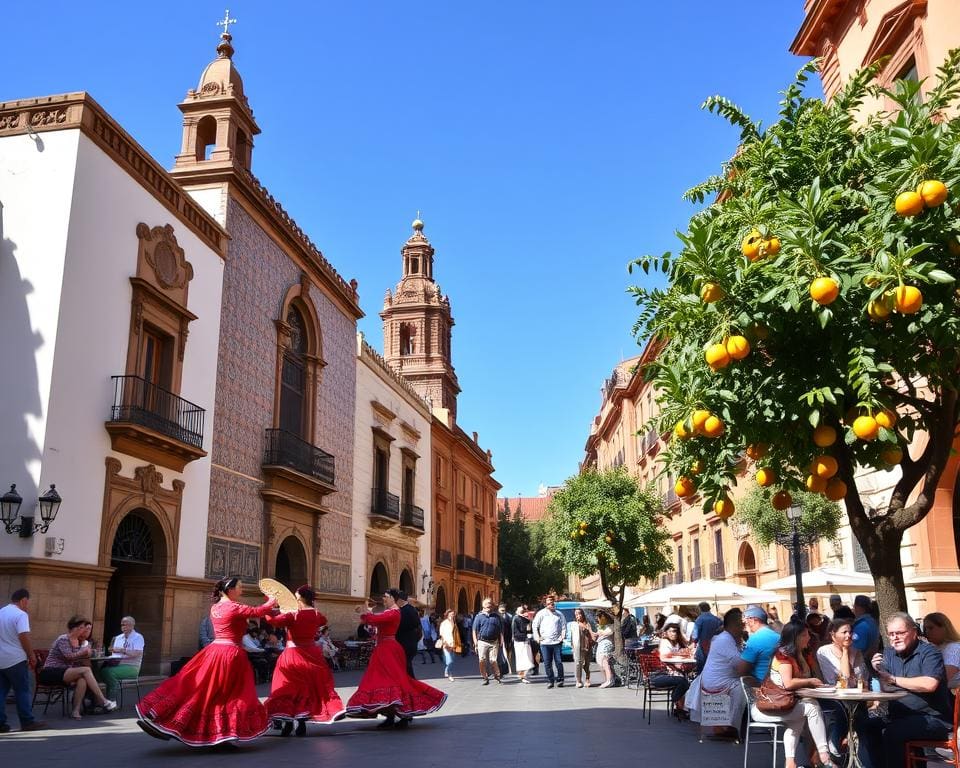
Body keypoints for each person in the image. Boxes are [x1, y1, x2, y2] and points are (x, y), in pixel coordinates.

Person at [136, 576, 278, 745]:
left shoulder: (215, 607)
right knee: (231, 694)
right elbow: (256, 612)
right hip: (230, 654)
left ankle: (163, 717)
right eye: (239, 587)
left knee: (197, 687)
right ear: (230, 590)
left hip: (213, 651)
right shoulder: (233, 607)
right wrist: (272, 601)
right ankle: (224, 731)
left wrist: (269, 606)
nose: (242, 590)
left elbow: (252, 613)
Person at [345, 589, 446, 728]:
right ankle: (390, 715)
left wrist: (364, 612)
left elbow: (374, 620)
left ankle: (402, 715)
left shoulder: (394, 612)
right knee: (384, 681)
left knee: (395, 681)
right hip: (384, 649)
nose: (383, 599)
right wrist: (367, 612)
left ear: (393, 598)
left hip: (389, 650)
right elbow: (375, 623)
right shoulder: (390, 612)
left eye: (386, 597)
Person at [863, 612, 953, 768]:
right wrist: (876, 670)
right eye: (891, 634)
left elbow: (929, 684)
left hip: (933, 718)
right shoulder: (888, 654)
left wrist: (893, 679)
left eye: (900, 633)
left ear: (914, 631)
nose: (895, 638)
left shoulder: (930, 652)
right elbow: (885, 685)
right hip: (899, 715)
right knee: (867, 726)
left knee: (893, 732)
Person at [750, 621, 835, 768]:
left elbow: (816, 678)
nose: (809, 637)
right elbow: (788, 683)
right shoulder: (783, 656)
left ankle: (791, 764)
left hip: (786, 705)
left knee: (799, 719)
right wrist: (810, 681)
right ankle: (824, 756)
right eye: (804, 634)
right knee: (812, 707)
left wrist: (812, 669)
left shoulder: (801, 654)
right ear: (795, 638)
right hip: (768, 707)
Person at [263, 585, 345, 736]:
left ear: (300, 597)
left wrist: (269, 606)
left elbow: (273, 621)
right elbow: (323, 620)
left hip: (293, 654)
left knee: (287, 687)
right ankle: (301, 723)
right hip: (312, 654)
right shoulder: (315, 614)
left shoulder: (293, 615)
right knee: (307, 688)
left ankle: (287, 724)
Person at [41, 616, 118, 720]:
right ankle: (103, 701)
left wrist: (86, 654)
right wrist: (84, 651)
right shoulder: (63, 639)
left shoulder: (78, 641)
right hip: (51, 671)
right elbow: (68, 656)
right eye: (82, 627)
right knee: (86, 670)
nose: (84, 630)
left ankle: (75, 710)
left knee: (82, 680)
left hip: (65, 672)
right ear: (75, 628)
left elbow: (76, 660)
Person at [687, 607, 746, 734]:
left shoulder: (725, 638)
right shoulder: (725, 640)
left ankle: (725, 725)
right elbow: (740, 666)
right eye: (742, 625)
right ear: (735, 625)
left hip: (712, 681)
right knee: (743, 688)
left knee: (743, 684)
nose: (744, 628)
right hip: (716, 684)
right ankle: (731, 726)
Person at [816, 617, 867, 759]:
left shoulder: (856, 651)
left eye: (850, 632)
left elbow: (861, 679)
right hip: (835, 697)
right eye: (844, 632)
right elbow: (842, 680)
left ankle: (859, 757)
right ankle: (835, 747)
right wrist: (845, 652)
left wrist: (850, 653)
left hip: (856, 697)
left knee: (863, 719)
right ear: (833, 635)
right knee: (846, 713)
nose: (848, 636)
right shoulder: (824, 652)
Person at [0, 589, 45, 733]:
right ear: (23, 600)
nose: (28, 605)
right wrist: (31, 655)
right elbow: (23, 636)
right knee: (22, 690)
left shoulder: (1, 612)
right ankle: (27, 721)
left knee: (1, 691)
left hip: (1, 658)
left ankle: (1, 723)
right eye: (28, 602)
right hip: (16, 658)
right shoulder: (21, 615)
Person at [97, 615, 144, 702]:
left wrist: (122, 650)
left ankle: (112, 700)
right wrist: (111, 650)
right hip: (116, 663)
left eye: (126, 625)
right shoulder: (117, 638)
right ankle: (98, 699)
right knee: (97, 670)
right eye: (122, 625)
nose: (124, 627)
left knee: (108, 672)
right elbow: (111, 649)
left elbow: (137, 653)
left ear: (132, 625)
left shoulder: (138, 637)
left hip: (132, 666)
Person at [655, 624, 692, 717]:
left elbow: (685, 651)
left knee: (684, 680)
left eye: (675, 631)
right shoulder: (665, 642)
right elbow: (664, 657)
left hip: (675, 670)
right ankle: (678, 704)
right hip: (663, 674)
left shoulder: (678, 642)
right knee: (683, 681)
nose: (673, 633)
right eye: (671, 631)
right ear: (666, 632)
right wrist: (678, 655)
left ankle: (680, 707)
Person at [737, 605, 780, 684]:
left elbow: (741, 671)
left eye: (745, 622)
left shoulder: (755, 639)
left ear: (752, 620)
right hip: (777, 682)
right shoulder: (778, 636)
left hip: (761, 684)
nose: (744, 626)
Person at [532, 596, 566, 688]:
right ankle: (550, 680)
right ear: (545, 605)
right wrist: (537, 637)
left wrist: (562, 637)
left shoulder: (559, 614)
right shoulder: (541, 614)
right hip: (545, 643)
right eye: (549, 603)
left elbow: (563, 626)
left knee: (558, 662)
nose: (551, 604)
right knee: (547, 663)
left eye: (552, 602)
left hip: (557, 642)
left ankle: (560, 679)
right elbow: (535, 625)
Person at [922, 612, 960, 688]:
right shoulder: (935, 647)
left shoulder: (953, 648)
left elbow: (944, 677)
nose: (927, 632)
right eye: (925, 629)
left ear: (944, 628)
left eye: (931, 628)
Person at [472, 597, 503, 685]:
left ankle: (497, 675)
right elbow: (474, 630)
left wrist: (502, 640)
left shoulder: (496, 616)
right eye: (487, 604)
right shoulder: (479, 617)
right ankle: (485, 677)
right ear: (483, 605)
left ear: (492, 605)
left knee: (493, 660)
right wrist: (475, 643)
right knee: (482, 660)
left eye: (490, 603)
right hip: (482, 641)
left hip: (494, 642)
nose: (488, 605)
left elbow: (500, 630)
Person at [395, 591, 421, 679]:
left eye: (396, 600)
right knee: (407, 665)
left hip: (404, 643)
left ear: (400, 600)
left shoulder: (403, 611)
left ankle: (412, 685)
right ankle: (411, 684)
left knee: (406, 666)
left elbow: (400, 627)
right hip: (411, 642)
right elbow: (417, 625)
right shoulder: (412, 609)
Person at [691, 601, 722, 675]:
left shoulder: (700, 619)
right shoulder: (717, 619)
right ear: (709, 608)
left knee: (701, 667)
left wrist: (693, 642)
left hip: (702, 645)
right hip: (714, 646)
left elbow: (695, 634)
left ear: (699, 609)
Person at [569, 607, 595, 688]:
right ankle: (578, 680)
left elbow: (591, 634)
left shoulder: (587, 624)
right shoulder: (574, 624)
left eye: (579, 614)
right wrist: (572, 646)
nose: (578, 616)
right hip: (577, 647)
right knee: (578, 663)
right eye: (576, 614)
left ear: (582, 614)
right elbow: (572, 637)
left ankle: (587, 679)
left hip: (587, 646)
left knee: (586, 664)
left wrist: (594, 637)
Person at [852, 595, 880, 666]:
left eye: (854, 606)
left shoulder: (861, 625)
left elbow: (856, 650)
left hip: (865, 665)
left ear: (858, 607)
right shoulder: (871, 621)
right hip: (872, 662)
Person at [511, 604, 534, 683]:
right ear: (517, 611)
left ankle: (524, 675)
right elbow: (515, 632)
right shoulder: (516, 618)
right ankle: (522, 676)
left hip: (525, 641)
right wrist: (525, 637)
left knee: (527, 659)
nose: (524, 611)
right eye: (522, 610)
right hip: (520, 642)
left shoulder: (524, 619)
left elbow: (529, 628)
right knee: (522, 659)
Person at [595, 612, 616, 687]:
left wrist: (601, 633)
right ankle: (609, 678)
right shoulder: (601, 626)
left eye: (599, 617)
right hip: (601, 644)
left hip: (606, 644)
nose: (599, 619)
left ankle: (609, 679)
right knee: (600, 662)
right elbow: (597, 635)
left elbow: (609, 633)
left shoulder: (611, 626)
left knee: (605, 661)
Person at [438, 609, 461, 680]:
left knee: (452, 659)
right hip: (446, 643)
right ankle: (450, 674)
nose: (452, 615)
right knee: (449, 660)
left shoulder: (454, 623)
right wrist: (444, 642)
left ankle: (446, 670)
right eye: (451, 614)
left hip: (453, 644)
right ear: (447, 615)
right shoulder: (444, 623)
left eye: (453, 614)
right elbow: (441, 634)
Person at [497, 603, 515, 676]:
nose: (502, 611)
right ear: (498, 609)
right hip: (498, 638)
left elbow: (512, 627)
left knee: (508, 653)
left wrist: (513, 636)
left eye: (503, 609)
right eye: (501, 610)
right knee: (499, 655)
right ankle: (499, 670)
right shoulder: (496, 616)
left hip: (507, 638)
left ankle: (509, 668)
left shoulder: (510, 616)